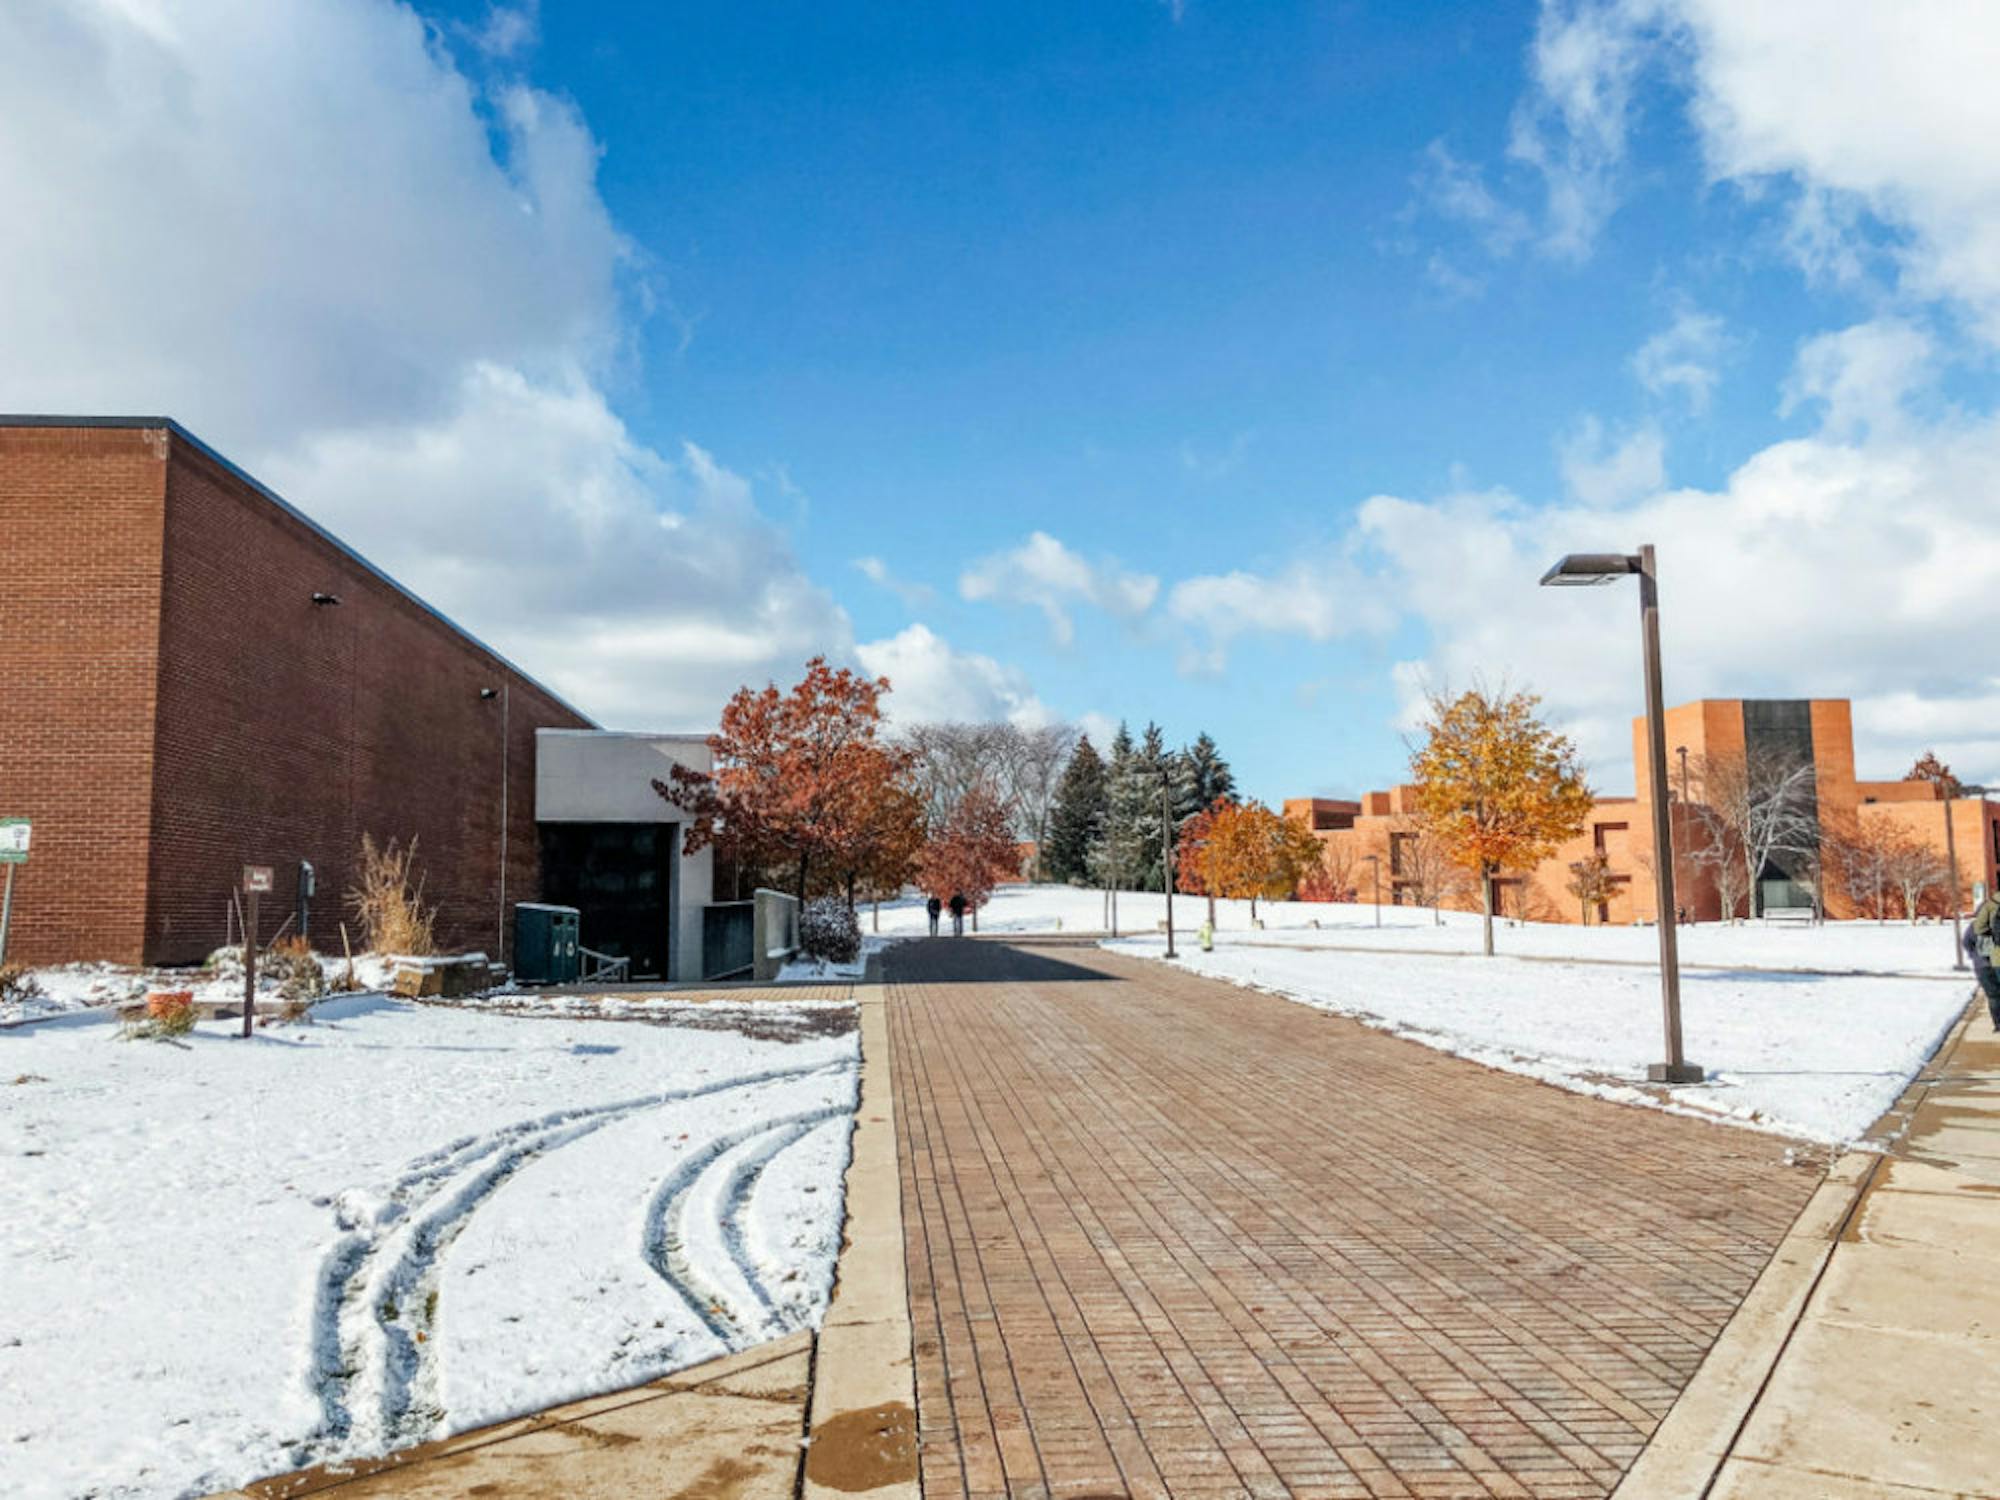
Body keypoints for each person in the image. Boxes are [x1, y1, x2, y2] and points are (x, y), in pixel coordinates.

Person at [1966, 888, 2000, 1032]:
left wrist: (1975, 955)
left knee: (1993, 995)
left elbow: (1967, 943)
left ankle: (1998, 1024)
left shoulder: (1975, 926)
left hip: (1985, 964)